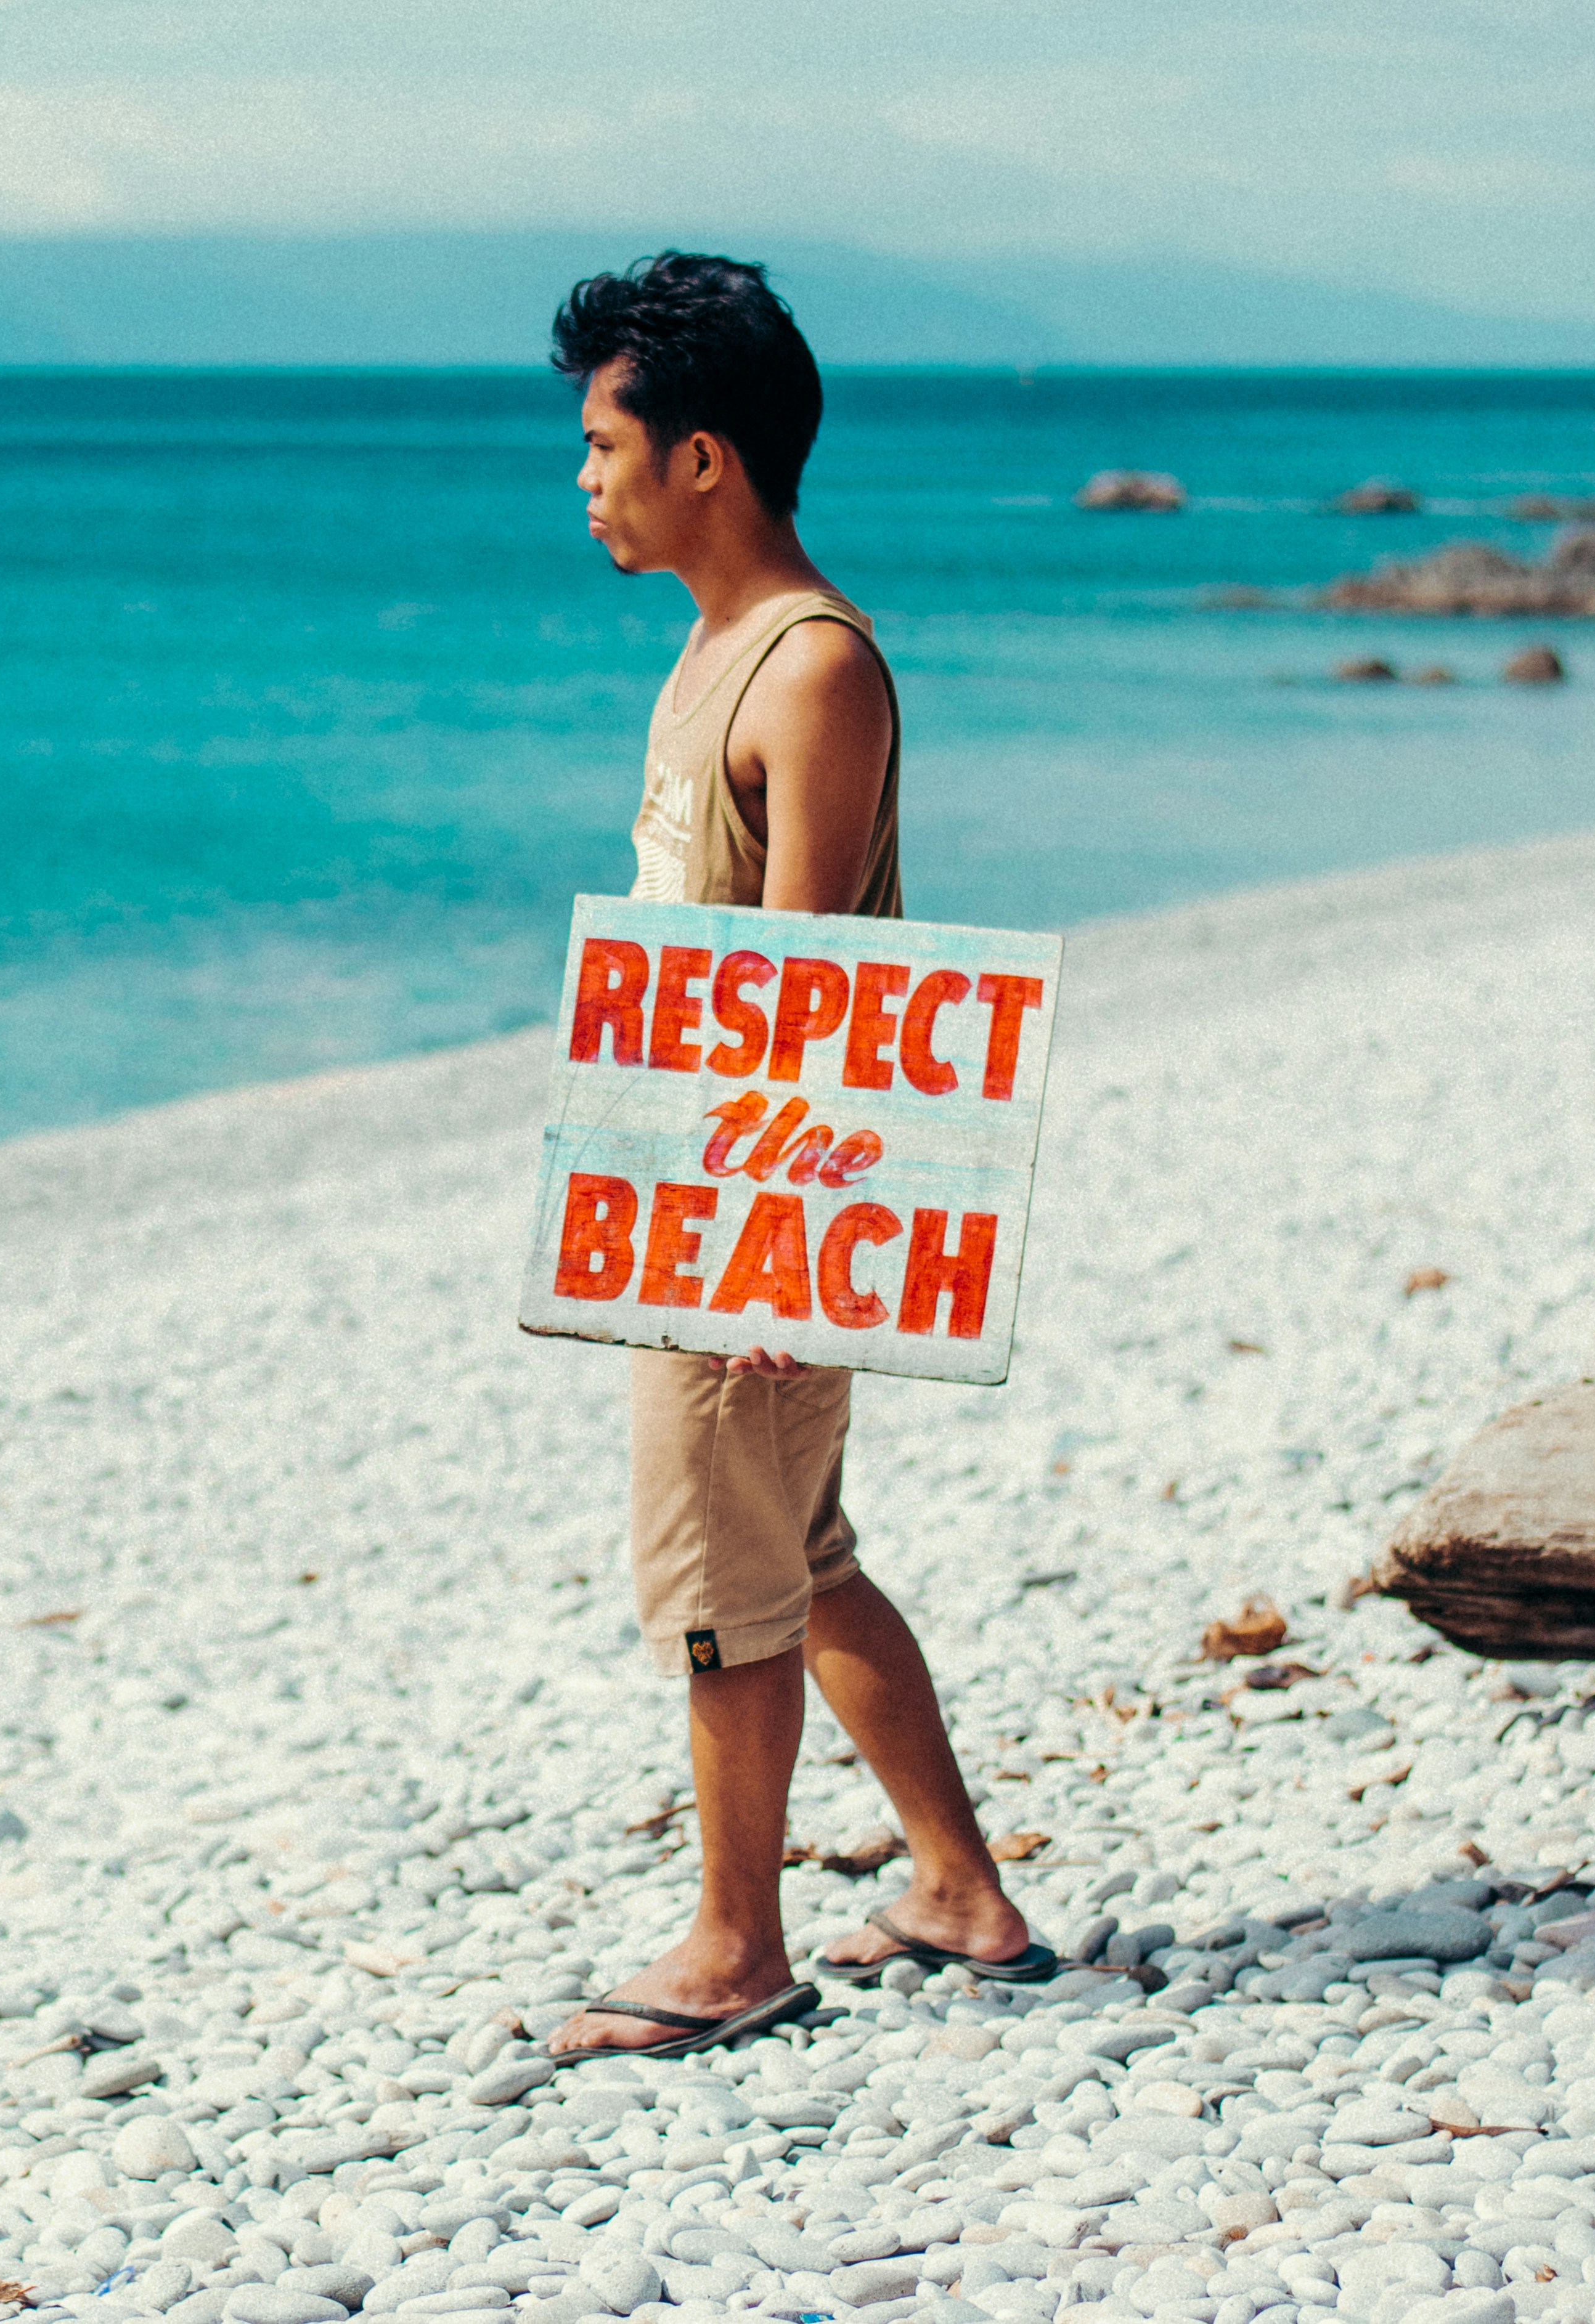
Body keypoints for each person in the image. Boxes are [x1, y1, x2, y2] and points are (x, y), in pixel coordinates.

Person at [541, 254, 1054, 2063]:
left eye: (602, 442)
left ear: (703, 457)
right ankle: (959, 1890)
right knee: (808, 1552)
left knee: (718, 1573)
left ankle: (733, 1944)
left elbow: (817, 995)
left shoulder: (810, 666)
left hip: (749, 1210)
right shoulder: (711, 652)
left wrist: (763, 1255)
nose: (581, 477)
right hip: (696, 1181)